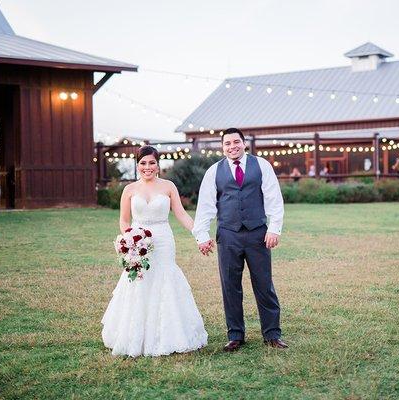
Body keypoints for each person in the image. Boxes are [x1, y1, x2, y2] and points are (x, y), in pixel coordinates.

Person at [101, 146, 207, 357]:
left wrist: (199, 234)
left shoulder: (168, 186)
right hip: (138, 241)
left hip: (163, 241)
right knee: (139, 282)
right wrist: (131, 237)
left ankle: (168, 335)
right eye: (143, 163)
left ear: (158, 165)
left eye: (151, 163)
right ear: (137, 165)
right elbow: (123, 220)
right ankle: (136, 336)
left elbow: (181, 214)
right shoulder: (129, 190)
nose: (147, 167)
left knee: (164, 278)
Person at [193, 127, 287, 351]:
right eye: (227, 143)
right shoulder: (214, 171)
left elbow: (274, 198)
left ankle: (272, 334)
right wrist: (202, 236)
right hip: (228, 235)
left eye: (236, 142)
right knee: (230, 286)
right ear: (222, 147)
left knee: (264, 284)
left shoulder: (262, 165)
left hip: (257, 234)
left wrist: (274, 229)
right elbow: (205, 206)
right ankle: (235, 335)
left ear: (244, 143)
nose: (232, 146)